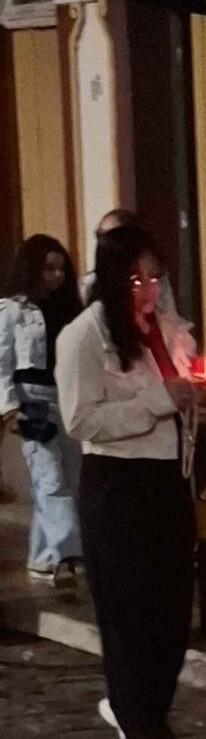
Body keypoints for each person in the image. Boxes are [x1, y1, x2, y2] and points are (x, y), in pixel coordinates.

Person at [57, 222, 206, 739]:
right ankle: (146, 736)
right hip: (117, 484)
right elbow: (81, 419)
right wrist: (158, 400)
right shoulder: (84, 336)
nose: (148, 289)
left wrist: (196, 400)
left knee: (171, 613)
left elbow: (177, 399)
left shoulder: (167, 329)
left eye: (155, 276)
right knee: (128, 612)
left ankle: (143, 711)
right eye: (135, 279)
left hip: (170, 479)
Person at [0, 232, 84, 594]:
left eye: (61, 268)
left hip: (67, 398)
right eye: (49, 268)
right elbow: (2, 363)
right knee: (49, 478)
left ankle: (43, 557)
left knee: (71, 477)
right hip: (33, 399)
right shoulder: (12, 310)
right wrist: (9, 408)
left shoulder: (70, 310)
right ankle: (68, 553)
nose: (57, 275)